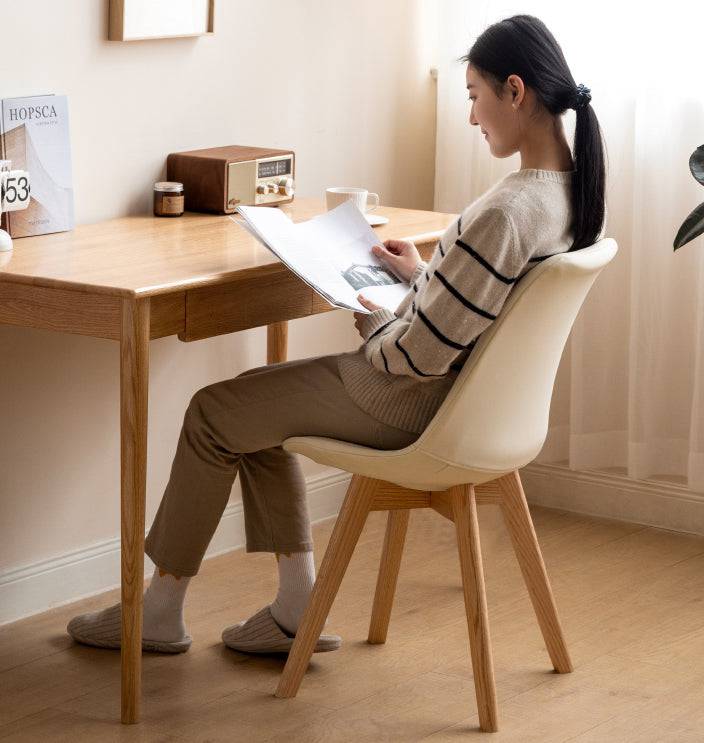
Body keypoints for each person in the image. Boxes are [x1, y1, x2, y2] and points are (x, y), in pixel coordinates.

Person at [67, 13, 606, 655]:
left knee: (215, 413)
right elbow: (483, 312)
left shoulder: (511, 210)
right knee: (253, 405)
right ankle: (295, 605)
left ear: (515, 91)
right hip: (467, 409)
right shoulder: (566, 196)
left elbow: (419, 357)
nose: (471, 116)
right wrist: (424, 278)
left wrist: (373, 314)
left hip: (402, 399)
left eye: (474, 96)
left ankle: (159, 610)